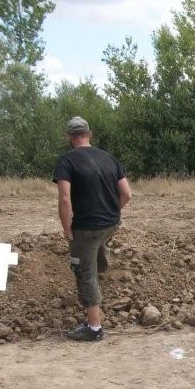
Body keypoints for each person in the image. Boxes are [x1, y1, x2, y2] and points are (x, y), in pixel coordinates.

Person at [52, 117, 131, 341]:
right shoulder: (109, 158)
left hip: (86, 228)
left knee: (85, 274)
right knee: (97, 253)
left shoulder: (67, 161)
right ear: (90, 134)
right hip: (110, 224)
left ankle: (94, 328)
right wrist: (111, 212)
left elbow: (65, 198)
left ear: (68, 136)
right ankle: (101, 279)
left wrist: (67, 228)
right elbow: (127, 194)